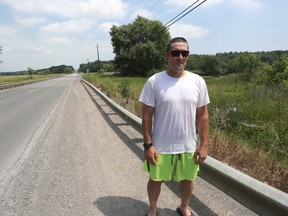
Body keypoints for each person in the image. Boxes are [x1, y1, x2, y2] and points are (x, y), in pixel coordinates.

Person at [139, 37, 210, 216]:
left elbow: (203, 116)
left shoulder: (198, 81)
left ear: (187, 56)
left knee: (187, 179)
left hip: (187, 145)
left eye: (184, 53)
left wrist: (203, 145)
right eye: (175, 53)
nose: (180, 57)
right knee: (156, 179)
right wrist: (148, 145)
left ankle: (184, 207)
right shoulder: (154, 81)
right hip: (160, 145)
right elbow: (146, 116)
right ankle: (153, 209)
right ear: (167, 55)